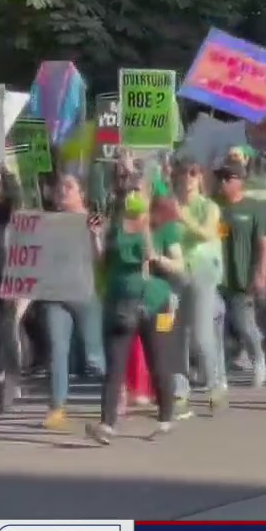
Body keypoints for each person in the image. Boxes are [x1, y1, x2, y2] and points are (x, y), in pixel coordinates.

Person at [86, 182, 186, 445]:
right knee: (115, 365)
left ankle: (166, 418)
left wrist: (157, 257)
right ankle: (107, 425)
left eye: (137, 192)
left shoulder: (164, 229)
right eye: (129, 192)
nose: (132, 196)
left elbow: (178, 266)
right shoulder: (116, 229)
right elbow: (102, 262)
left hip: (156, 303)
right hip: (120, 304)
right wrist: (95, 236)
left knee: (159, 361)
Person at [40, 175, 107, 430]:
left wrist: (95, 236)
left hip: (86, 294)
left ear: (82, 193)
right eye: (59, 187)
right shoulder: (47, 223)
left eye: (69, 187)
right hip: (55, 295)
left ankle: (114, 393)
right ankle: (57, 407)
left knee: (94, 355)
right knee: (57, 351)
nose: (62, 191)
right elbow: (37, 261)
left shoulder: (94, 219)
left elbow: (102, 261)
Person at [172, 160, 225, 419]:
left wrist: (184, 216)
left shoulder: (209, 207)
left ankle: (215, 384)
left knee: (201, 335)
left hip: (203, 272)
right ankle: (180, 388)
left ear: (200, 177)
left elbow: (206, 233)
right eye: (185, 173)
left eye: (194, 173)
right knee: (175, 333)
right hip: (176, 272)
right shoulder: (169, 206)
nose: (189, 178)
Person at [215, 160, 266, 402]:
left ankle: (258, 360)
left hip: (243, 276)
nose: (223, 183)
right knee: (218, 326)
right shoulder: (215, 208)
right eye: (221, 178)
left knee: (245, 324)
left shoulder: (253, 208)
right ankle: (220, 370)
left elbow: (264, 244)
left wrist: (262, 272)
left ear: (239, 180)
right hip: (219, 277)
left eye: (228, 178)